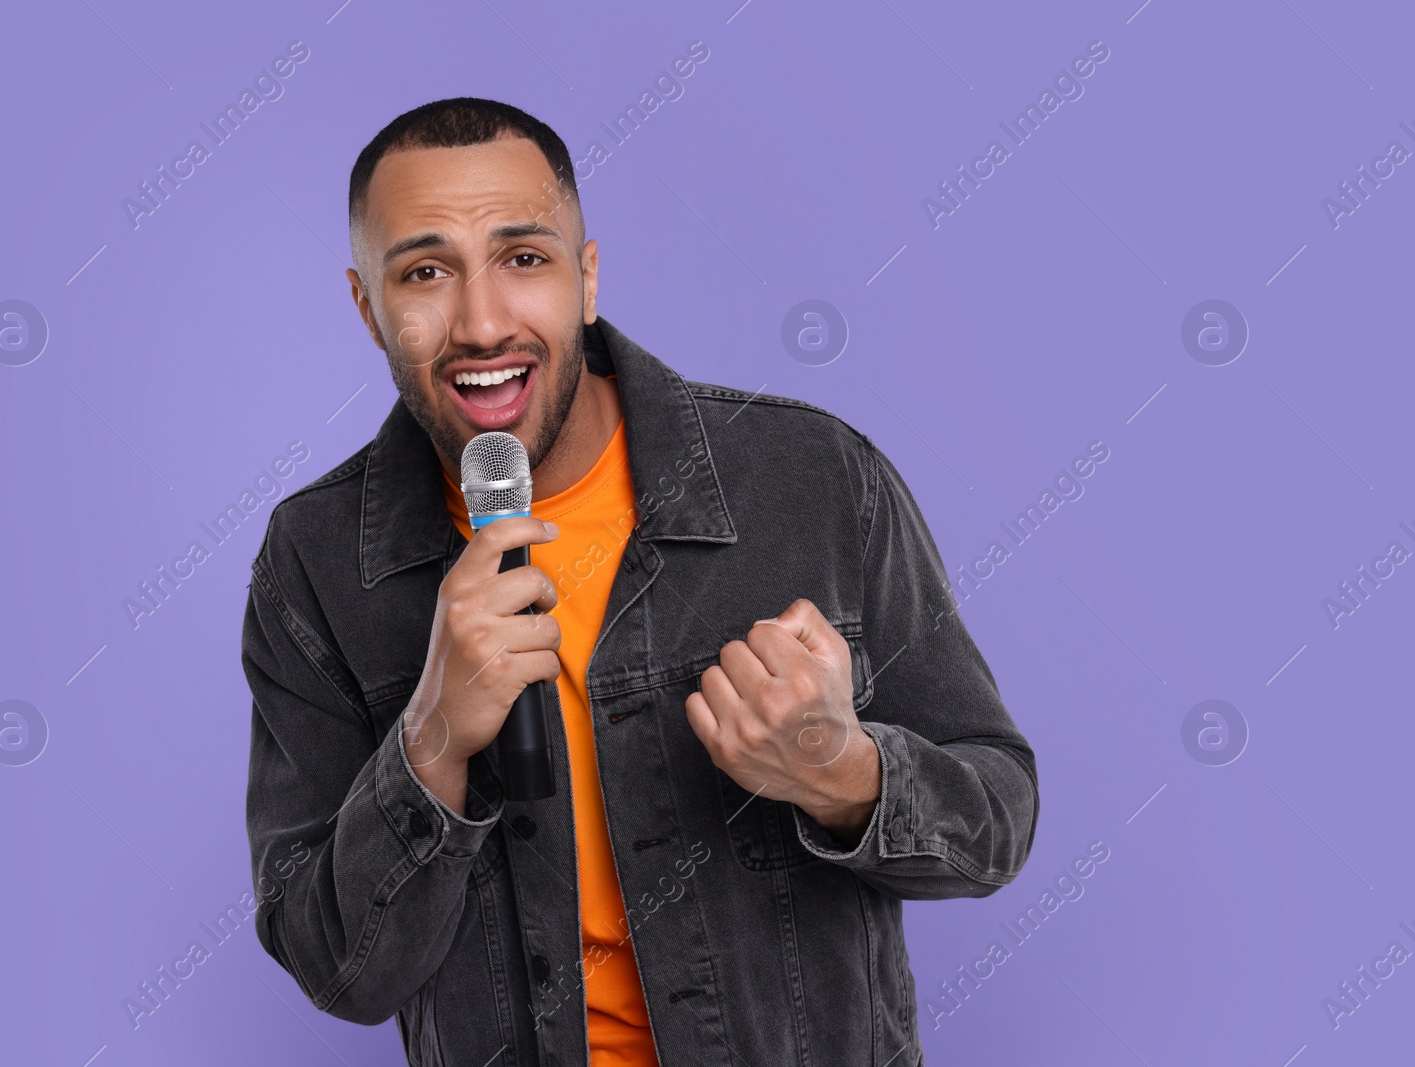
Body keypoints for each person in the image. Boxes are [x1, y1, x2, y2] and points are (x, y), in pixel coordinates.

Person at [242, 97, 1039, 1067]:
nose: (482, 320)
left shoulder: (812, 475)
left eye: (523, 258)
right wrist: (433, 738)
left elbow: (994, 826)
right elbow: (338, 969)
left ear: (584, 278)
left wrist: (839, 772)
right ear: (370, 309)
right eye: (424, 272)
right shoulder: (316, 560)